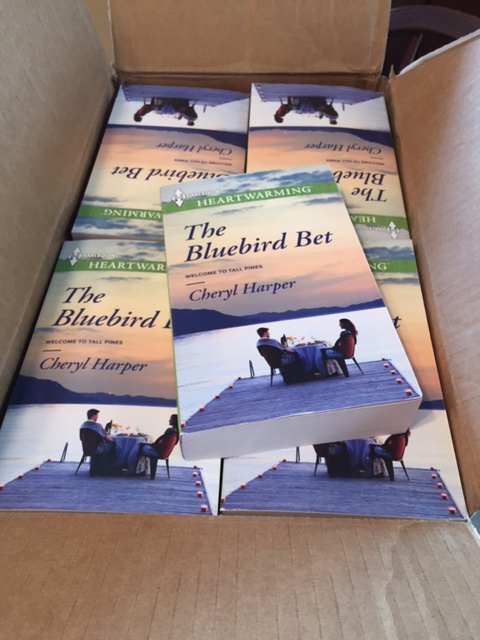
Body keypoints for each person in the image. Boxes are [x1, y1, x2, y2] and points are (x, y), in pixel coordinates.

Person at [274, 96, 339, 124]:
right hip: (313, 105)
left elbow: (284, 107)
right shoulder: (294, 108)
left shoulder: (294, 108)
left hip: (312, 106)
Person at [134, 98, 198, 125]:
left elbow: (147, 107)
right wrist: (139, 114)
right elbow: (147, 107)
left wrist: (139, 114)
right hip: (173, 105)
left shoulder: (158, 109)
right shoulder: (179, 111)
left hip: (164, 105)